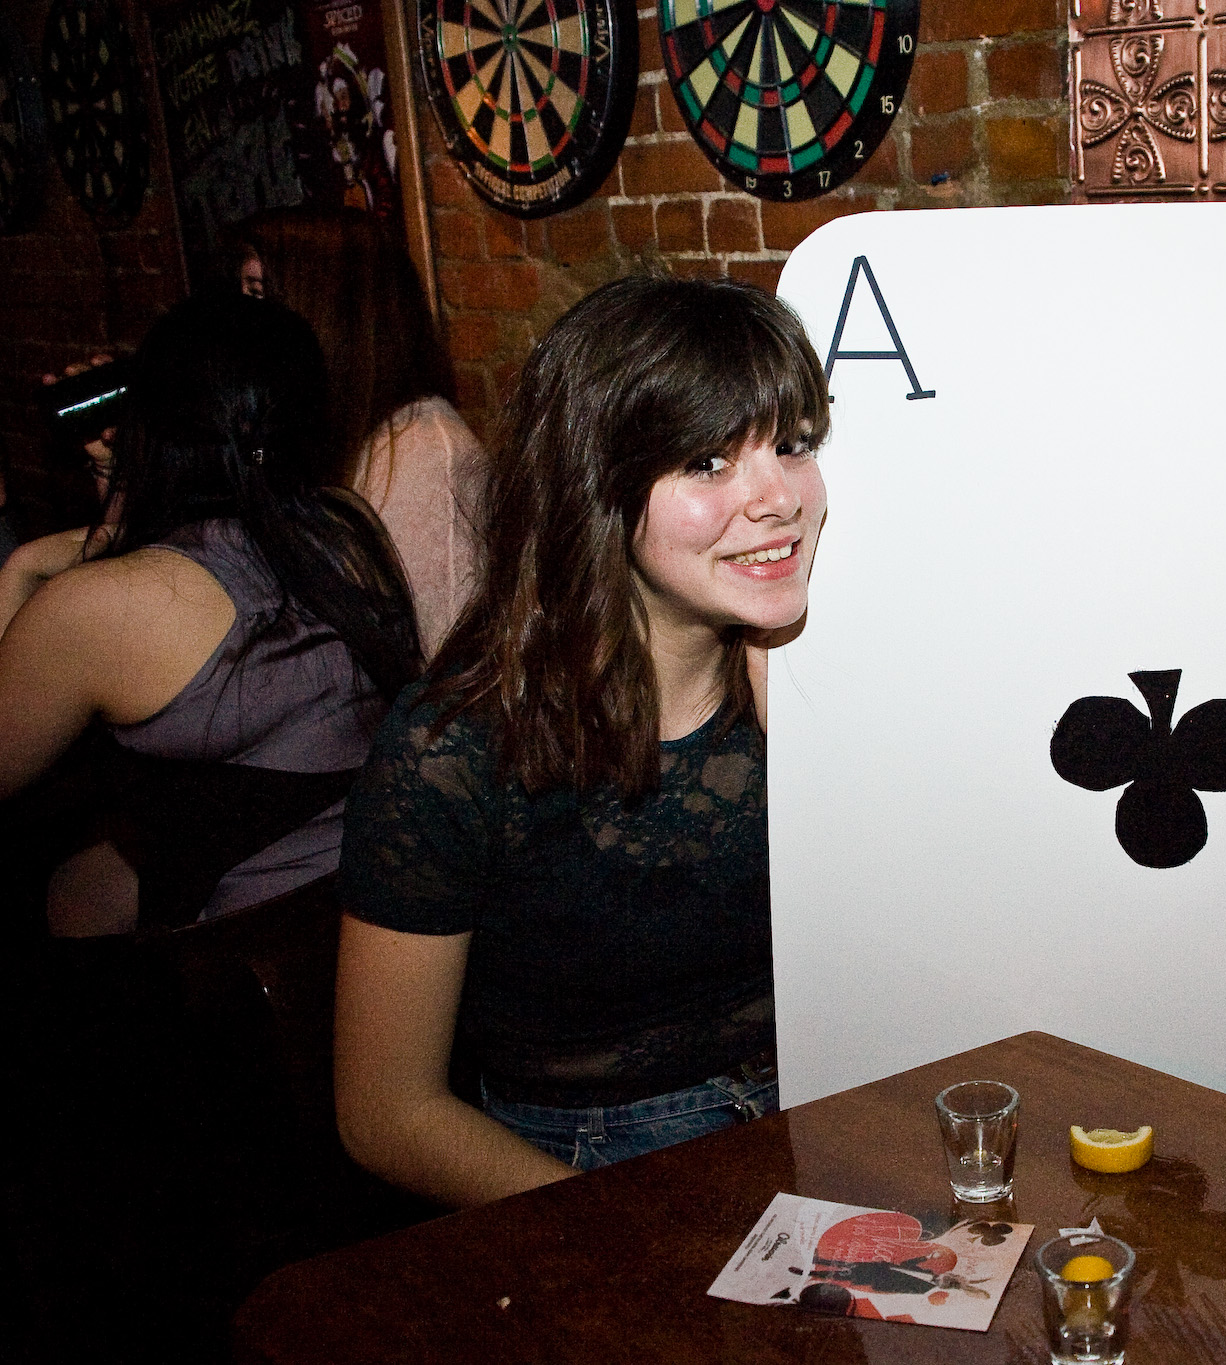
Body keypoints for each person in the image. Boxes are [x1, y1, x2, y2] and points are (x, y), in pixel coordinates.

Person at [334, 275, 828, 1208]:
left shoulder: (825, 683)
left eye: (794, 445)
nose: (779, 498)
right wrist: (617, 1240)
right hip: (581, 1180)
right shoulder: (452, 751)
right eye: (708, 463)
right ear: (597, 487)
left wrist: (810, 743)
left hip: (818, 1119)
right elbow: (386, 1112)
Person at [0, 292, 419, 932]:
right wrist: (123, 484)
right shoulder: (346, 524)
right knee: (85, 881)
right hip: (356, 892)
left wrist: (21, 566)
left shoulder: (91, 610)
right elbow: (199, 546)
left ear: (154, 423)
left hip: (232, 955)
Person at [228, 207, 481, 654]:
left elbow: (444, 670)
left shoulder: (422, 450)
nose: (243, 323)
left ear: (326, 309)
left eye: (261, 296)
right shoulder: (312, 431)